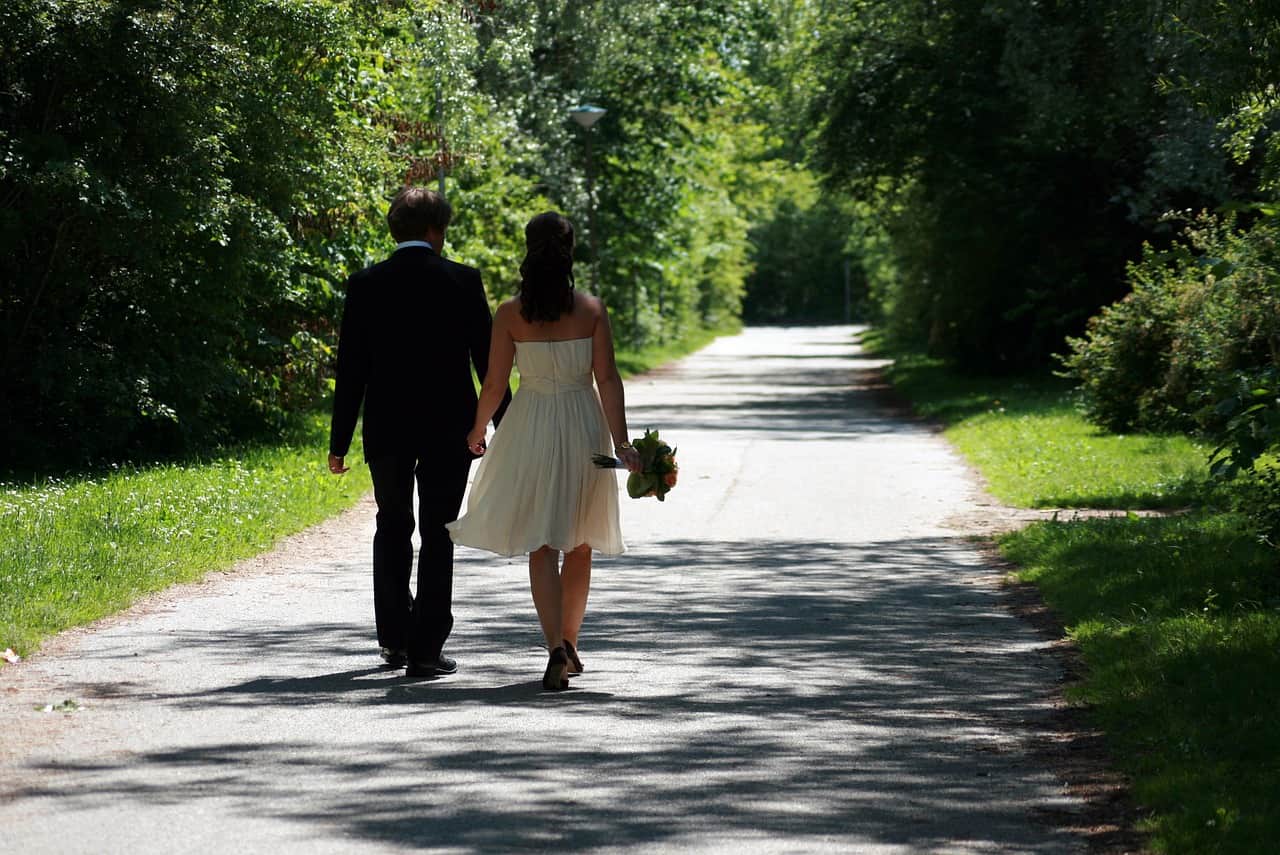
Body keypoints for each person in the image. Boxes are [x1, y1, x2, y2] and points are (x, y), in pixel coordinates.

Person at [446, 212, 641, 691]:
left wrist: (476, 430)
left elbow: (494, 383)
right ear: (569, 252)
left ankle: (553, 644)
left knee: (542, 541)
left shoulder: (511, 314)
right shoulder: (591, 310)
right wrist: (623, 442)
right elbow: (608, 380)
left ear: (528, 251)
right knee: (579, 542)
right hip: (581, 422)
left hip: (531, 420)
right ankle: (571, 644)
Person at [328, 186, 509, 678]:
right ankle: (427, 648)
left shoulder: (365, 284)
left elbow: (351, 370)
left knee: (391, 526)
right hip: (448, 427)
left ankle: (393, 639)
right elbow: (488, 365)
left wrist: (338, 442)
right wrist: (504, 427)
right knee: (438, 532)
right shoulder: (463, 281)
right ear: (436, 231)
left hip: (387, 426)